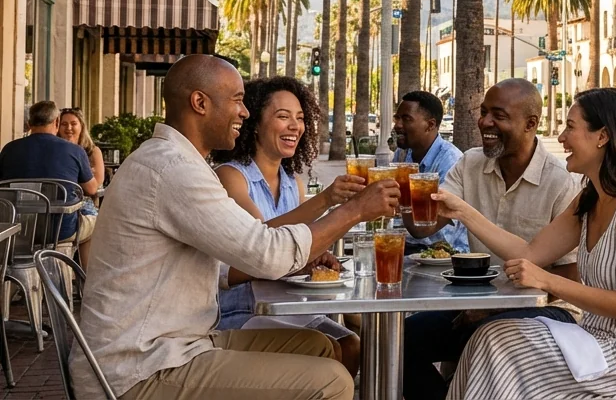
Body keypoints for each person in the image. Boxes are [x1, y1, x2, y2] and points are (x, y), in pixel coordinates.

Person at [74, 55, 399, 400]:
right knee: (331, 381)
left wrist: (303, 259)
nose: (245, 112)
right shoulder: (172, 169)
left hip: (179, 342)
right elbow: (265, 252)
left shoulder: (179, 163)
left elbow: (226, 264)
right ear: (200, 103)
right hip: (140, 367)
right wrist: (353, 211)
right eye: (237, 100)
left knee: (320, 345)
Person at [434, 87, 616, 400]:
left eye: (570, 127)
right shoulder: (590, 197)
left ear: (602, 136)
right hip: (593, 339)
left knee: (499, 344)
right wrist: (463, 211)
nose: (561, 137)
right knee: (487, 336)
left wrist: (547, 280)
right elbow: (528, 253)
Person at [402, 79, 581, 400]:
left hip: (549, 310)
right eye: (483, 112)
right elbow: (423, 227)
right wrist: (402, 192)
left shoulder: (559, 182)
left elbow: (569, 277)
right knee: (401, 340)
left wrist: (495, 309)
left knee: (484, 333)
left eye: (498, 115)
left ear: (530, 124)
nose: (484, 122)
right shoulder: (470, 163)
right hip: (477, 304)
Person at [210, 76, 367, 375]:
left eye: (300, 118)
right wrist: (326, 201)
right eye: (283, 117)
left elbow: (302, 244)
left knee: (352, 343)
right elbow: (261, 244)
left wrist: (318, 257)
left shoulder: (294, 183)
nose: (295, 126)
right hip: (244, 311)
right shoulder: (231, 177)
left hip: (291, 306)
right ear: (255, 123)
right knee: (329, 348)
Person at [0, 101, 99, 253]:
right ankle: (85, 275)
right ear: (57, 122)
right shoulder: (75, 150)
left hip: (18, 227)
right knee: (95, 222)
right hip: (60, 230)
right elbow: (92, 189)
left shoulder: (9, 149)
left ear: (29, 123)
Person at [393, 90, 466, 254]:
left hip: (446, 257)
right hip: (411, 248)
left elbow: (423, 229)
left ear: (430, 125)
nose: (397, 125)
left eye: (406, 119)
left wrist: (402, 198)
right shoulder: (404, 154)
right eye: (397, 118)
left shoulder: (452, 161)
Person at [57, 106, 104, 261]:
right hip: (58, 204)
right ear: (57, 126)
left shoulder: (92, 150)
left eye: (73, 123)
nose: (68, 128)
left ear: (81, 126)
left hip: (84, 204)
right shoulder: (54, 150)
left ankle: (86, 278)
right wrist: (82, 174)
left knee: (93, 226)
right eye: (64, 124)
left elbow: (95, 185)